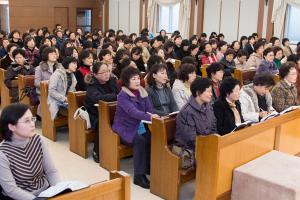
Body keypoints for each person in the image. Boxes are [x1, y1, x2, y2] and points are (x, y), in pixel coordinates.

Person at [0, 103, 60, 200]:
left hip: (45, 191)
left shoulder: (38, 140)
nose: (32, 124)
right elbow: (11, 190)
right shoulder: (2, 153)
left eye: (32, 119)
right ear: (12, 127)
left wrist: (58, 190)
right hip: (19, 197)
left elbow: (51, 171)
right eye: (26, 121)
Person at [112, 67, 159, 189]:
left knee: (152, 137)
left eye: (138, 78)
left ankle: (148, 166)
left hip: (139, 125)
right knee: (140, 140)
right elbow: (133, 112)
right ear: (127, 81)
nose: (137, 81)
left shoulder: (142, 92)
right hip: (124, 127)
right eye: (133, 79)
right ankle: (139, 175)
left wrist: (152, 116)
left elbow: (149, 110)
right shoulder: (123, 95)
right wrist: (151, 118)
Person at [84, 62, 119, 163]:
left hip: (113, 110)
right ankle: (97, 151)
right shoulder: (91, 85)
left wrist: (115, 96)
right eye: (103, 72)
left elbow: (119, 93)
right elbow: (98, 98)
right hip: (95, 113)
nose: (106, 74)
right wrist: (115, 96)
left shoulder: (112, 80)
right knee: (102, 122)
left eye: (108, 71)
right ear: (95, 74)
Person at [175, 77, 217, 151]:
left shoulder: (208, 106)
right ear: (198, 93)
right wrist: (209, 147)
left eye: (211, 91)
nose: (211, 94)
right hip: (192, 151)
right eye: (208, 91)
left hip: (206, 146)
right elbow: (191, 140)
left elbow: (213, 128)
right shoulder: (187, 112)